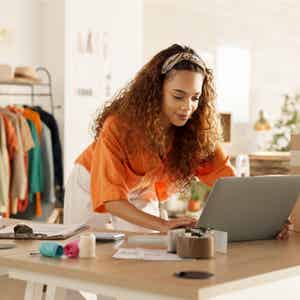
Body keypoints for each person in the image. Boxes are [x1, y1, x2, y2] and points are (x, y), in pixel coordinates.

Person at [64, 44, 291, 238]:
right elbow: (112, 199)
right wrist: (163, 224)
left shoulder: (197, 134)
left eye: (195, 98)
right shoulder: (119, 127)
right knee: (85, 252)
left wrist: (267, 221)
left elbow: (232, 186)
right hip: (90, 182)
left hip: (140, 191)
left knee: (142, 260)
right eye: (178, 96)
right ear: (157, 90)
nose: (187, 107)